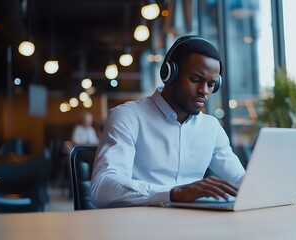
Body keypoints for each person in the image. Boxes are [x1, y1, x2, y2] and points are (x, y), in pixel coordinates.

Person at [90, 35, 245, 208]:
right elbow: (102, 187)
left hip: (194, 227)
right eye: (195, 79)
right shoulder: (128, 116)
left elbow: (239, 179)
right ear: (169, 74)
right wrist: (174, 193)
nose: (204, 91)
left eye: (211, 84)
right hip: (141, 227)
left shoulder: (211, 127)